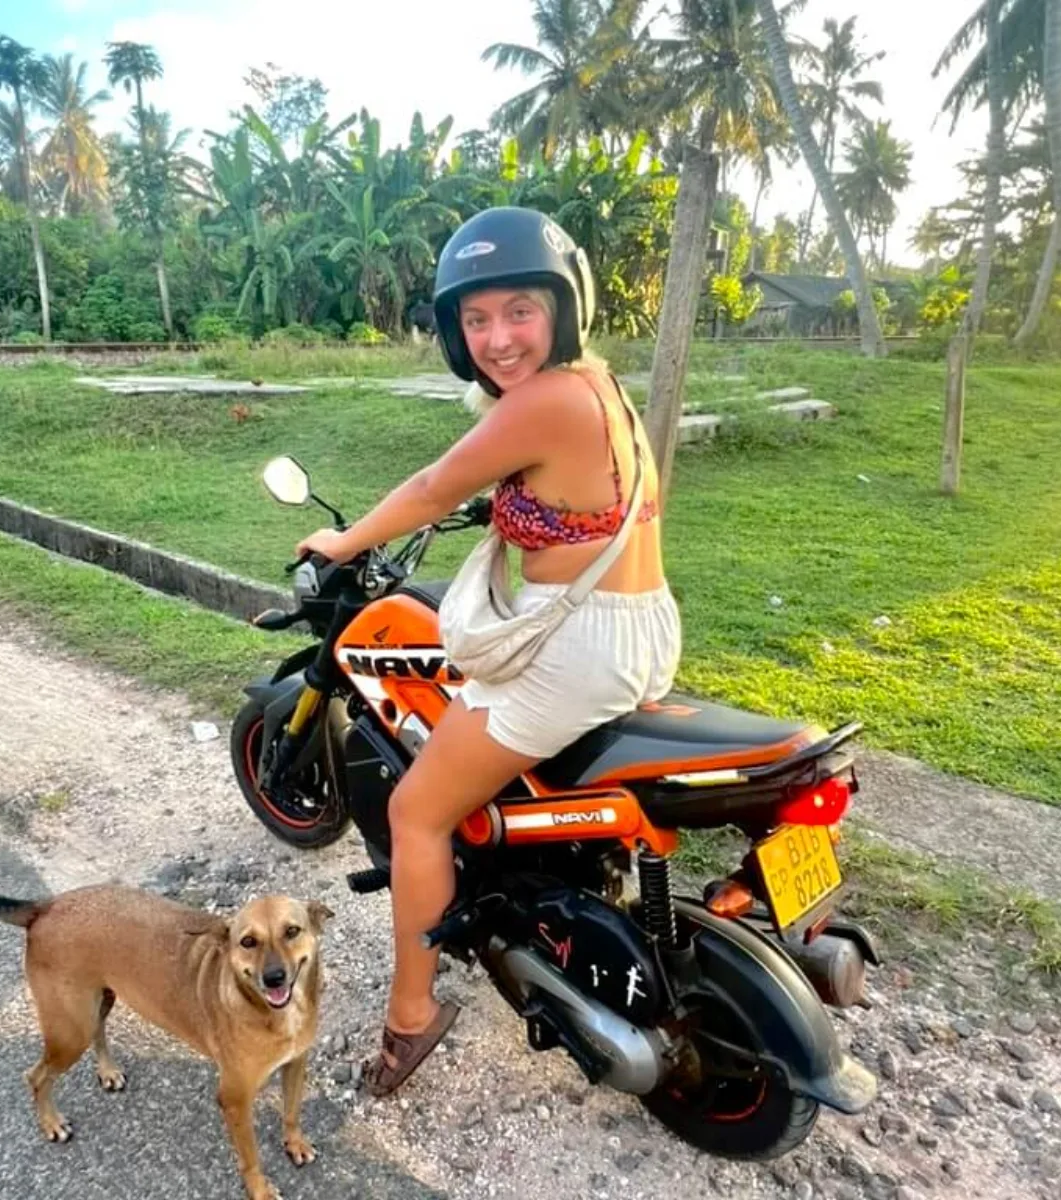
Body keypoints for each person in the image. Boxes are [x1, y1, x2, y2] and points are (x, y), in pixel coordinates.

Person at [294, 206, 682, 1096]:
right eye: (476, 319)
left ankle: (411, 1014)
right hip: (633, 624)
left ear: (562, 307)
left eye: (518, 310)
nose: (498, 338)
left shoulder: (544, 400)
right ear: (452, 330)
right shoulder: (598, 386)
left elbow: (435, 485)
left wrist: (344, 543)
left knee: (419, 813)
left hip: (576, 645)